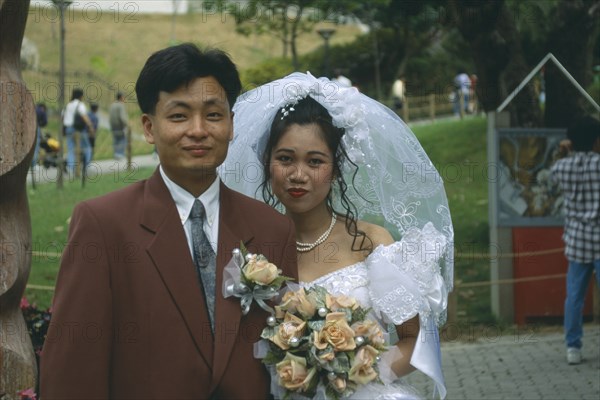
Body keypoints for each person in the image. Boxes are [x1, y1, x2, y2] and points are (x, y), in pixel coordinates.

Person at [40, 43, 298, 398]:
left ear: (231, 124)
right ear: (149, 127)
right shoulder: (103, 225)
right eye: (179, 116)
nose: (198, 130)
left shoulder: (273, 228)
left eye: (213, 115)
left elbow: (288, 355)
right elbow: (72, 373)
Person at [222, 72, 454, 399]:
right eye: (285, 159)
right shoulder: (252, 257)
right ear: (267, 162)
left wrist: (352, 372)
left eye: (315, 161)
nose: (298, 175)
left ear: (334, 168)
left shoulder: (371, 243)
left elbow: (415, 338)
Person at [550, 115, 600, 365]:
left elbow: (553, 177)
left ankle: (573, 347)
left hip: (577, 242)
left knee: (574, 298)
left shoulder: (562, 167)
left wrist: (565, 153)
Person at [62, 88, 94, 174]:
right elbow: (84, 116)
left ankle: (70, 167)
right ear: (81, 96)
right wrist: (90, 126)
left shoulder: (68, 105)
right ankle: (86, 166)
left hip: (68, 128)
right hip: (78, 130)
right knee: (87, 147)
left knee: (71, 149)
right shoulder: (80, 105)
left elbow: (63, 117)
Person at [109, 91, 129, 160]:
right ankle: (120, 154)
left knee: (116, 140)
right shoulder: (121, 105)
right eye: (124, 97)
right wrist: (126, 124)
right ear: (121, 97)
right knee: (122, 140)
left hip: (113, 126)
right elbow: (122, 117)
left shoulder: (112, 105)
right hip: (120, 126)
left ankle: (116, 153)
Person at [31, 102, 48, 168]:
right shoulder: (41, 111)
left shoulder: (32, 108)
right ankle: (34, 164)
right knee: (36, 147)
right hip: (36, 127)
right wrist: (39, 124)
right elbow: (45, 122)